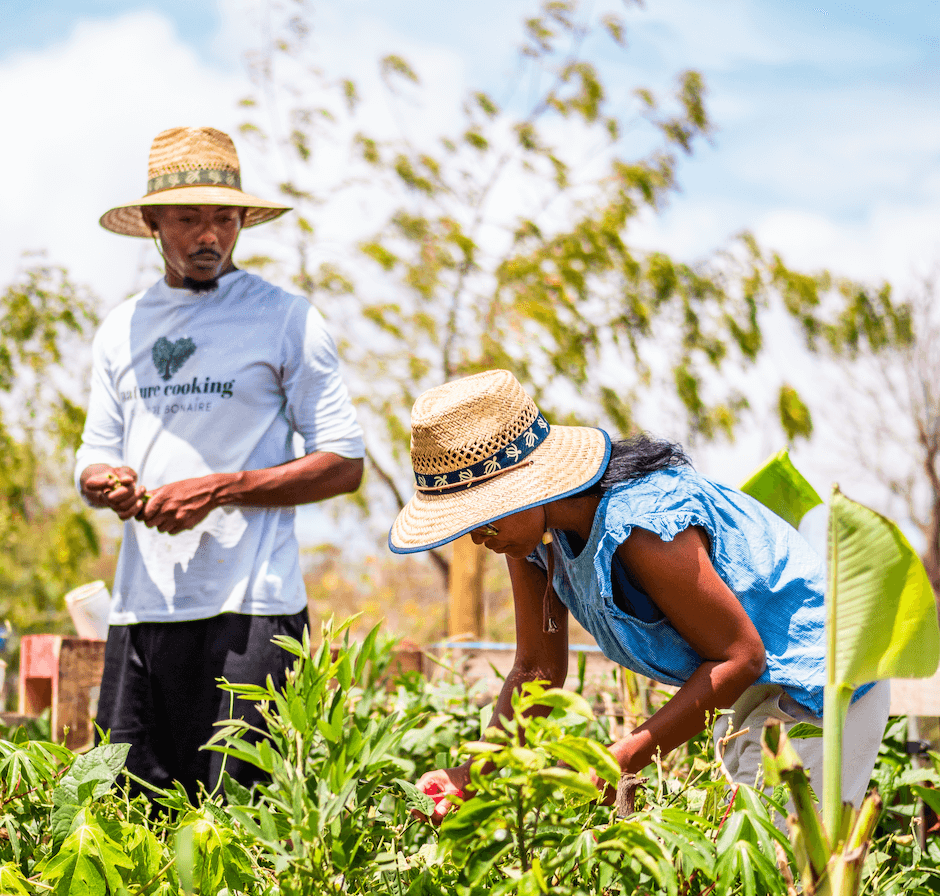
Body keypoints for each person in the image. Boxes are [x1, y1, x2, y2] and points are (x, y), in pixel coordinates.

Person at [388, 369, 890, 821]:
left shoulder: (643, 525)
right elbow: (536, 670)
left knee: (786, 884)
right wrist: (473, 773)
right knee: (740, 890)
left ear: (527, 486)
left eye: (481, 516)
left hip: (820, 684)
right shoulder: (531, 545)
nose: (476, 536)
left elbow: (741, 657)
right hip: (751, 693)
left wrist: (624, 757)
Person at [76, 126, 364, 800]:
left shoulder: (286, 319)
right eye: (189, 219)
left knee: (240, 820)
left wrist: (223, 487)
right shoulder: (121, 328)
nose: (210, 236)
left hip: (253, 609)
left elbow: (344, 462)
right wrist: (102, 483)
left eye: (224, 218)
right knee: (124, 818)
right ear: (152, 222)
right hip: (141, 609)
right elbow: (96, 452)